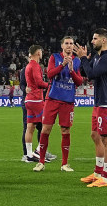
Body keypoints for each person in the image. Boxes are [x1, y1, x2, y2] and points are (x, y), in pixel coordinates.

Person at [33, 36, 83, 172]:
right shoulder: (54, 57)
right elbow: (49, 74)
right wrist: (62, 65)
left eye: (71, 44)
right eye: (66, 43)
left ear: (73, 46)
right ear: (62, 46)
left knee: (65, 130)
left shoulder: (77, 61)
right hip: (52, 99)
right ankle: (41, 162)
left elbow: (79, 82)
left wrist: (72, 70)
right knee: (45, 129)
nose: (69, 46)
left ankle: (65, 164)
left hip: (67, 101)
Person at [79, 28, 107, 188]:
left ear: (104, 40)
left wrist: (83, 58)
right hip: (98, 102)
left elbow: (91, 75)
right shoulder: (98, 56)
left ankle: (106, 178)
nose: (92, 41)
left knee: (106, 139)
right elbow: (85, 71)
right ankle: (97, 173)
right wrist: (84, 59)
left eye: (95, 39)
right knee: (95, 135)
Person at [21, 46, 49, 162]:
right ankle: (39, 151)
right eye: (41, 52)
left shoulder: (28, 66)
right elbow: (38, 82)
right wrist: (50, 85)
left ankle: (29, 154)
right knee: (46, 126)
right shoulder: (35, 66)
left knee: (30, 127)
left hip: (29, 100)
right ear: (38, 53)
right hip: (37, 99)